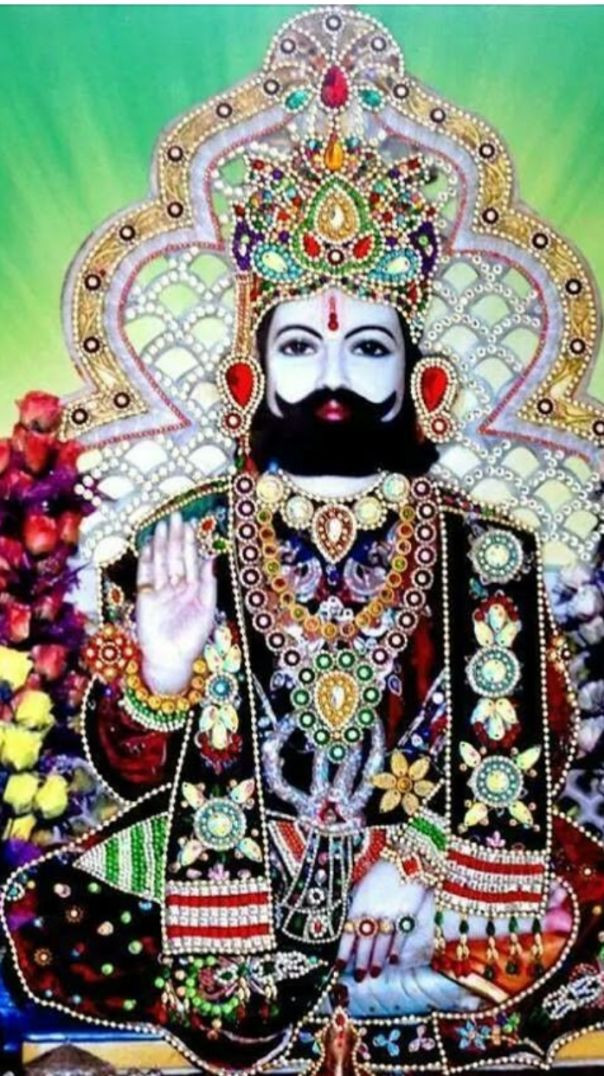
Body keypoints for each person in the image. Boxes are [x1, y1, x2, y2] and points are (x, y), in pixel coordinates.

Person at [2, 129, 602, 1075]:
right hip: (238, 864)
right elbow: (127, 767)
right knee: (51, 915)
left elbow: (535, 749)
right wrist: (164, 672)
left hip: (429, 883)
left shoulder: (485, 551)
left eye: (368, 348)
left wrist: (416, 862)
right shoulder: (185, 538)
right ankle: (366, 992)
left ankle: (346, 982)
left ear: (419, 378)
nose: (334, 376)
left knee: (573, 893)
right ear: (250, 376)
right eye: (298, 346)